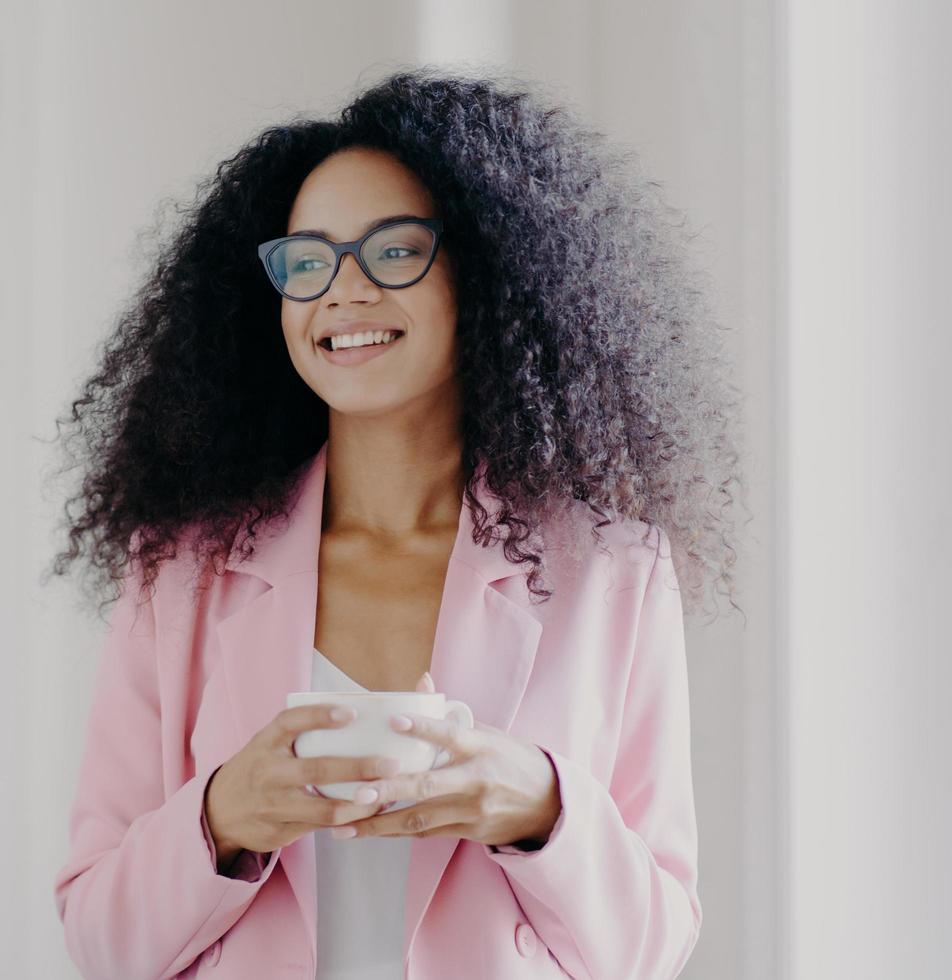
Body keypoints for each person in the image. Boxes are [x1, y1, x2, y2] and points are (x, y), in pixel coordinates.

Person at [47, 66, 743, 980]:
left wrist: (540, 807)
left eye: (394, 249)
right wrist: (223, 818)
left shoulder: (612, 570)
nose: (343, 289)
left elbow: (651, 948)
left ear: (487, 271)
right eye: (309, 259)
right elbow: (101, 942)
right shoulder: (180, 570)